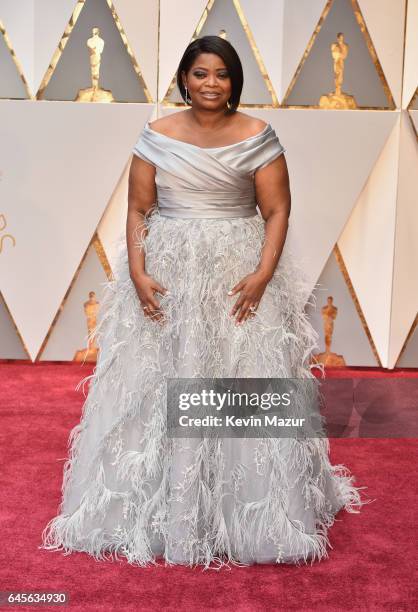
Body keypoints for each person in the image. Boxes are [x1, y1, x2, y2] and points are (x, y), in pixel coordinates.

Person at [40, 35, 368, 569]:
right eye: (200, 73)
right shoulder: (155, 135)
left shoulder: (259, 136)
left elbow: (277, 210)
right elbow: (138, 210)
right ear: (184, 79)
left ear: (235, 81)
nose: (210, 83)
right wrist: (141, 272)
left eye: (221, 74)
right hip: (171, 273)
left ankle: (246, 510)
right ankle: (161, 505)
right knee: (162, 378)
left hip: (236, 272)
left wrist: (263, 273)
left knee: (241, 375)